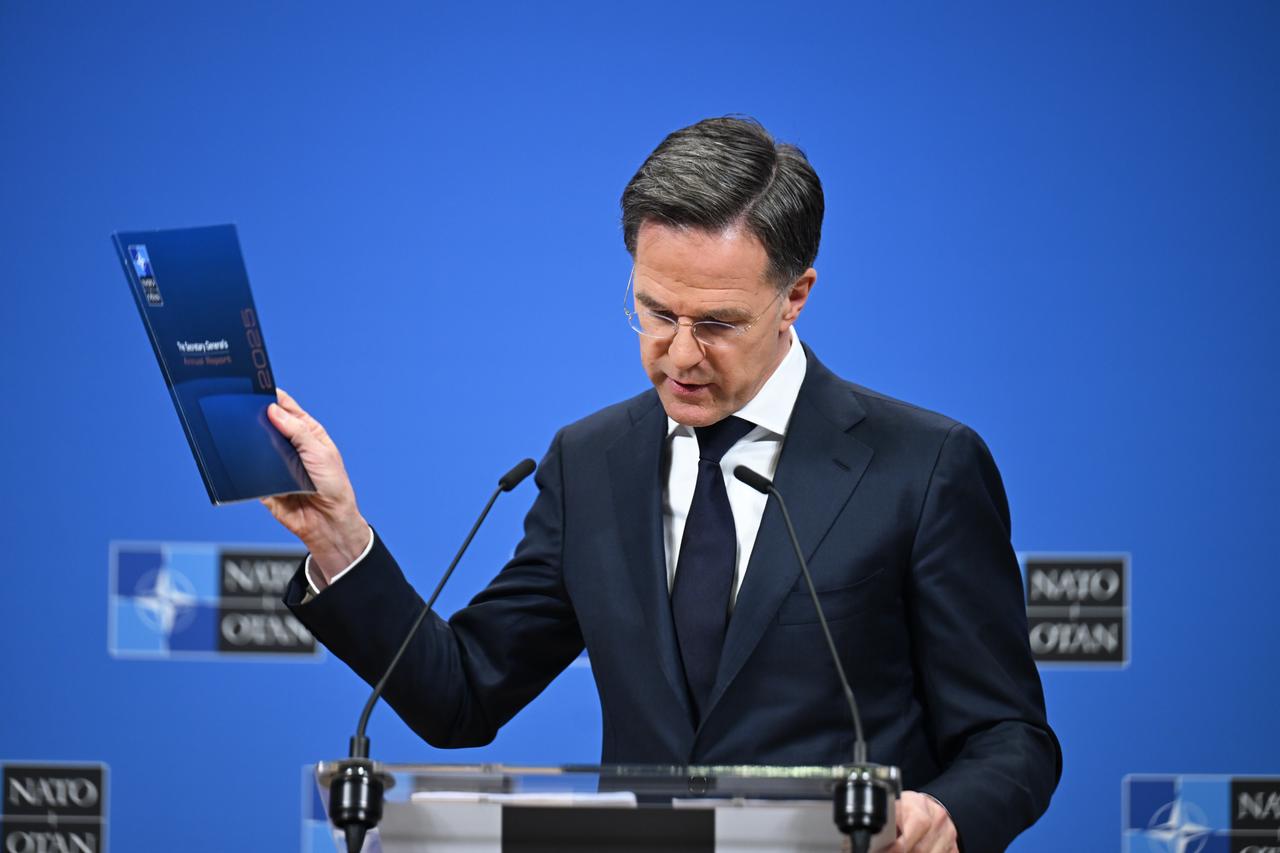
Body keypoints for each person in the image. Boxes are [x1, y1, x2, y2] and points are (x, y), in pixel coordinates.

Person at [263, 117, 1061, 853]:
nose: (678, 355)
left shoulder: (921, 465)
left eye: (715, 322)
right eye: (654, 312)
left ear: (795, 296)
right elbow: (463, 694)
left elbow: (1010, 736)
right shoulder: (591, 460)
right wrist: (340, 539)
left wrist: (946, 813)